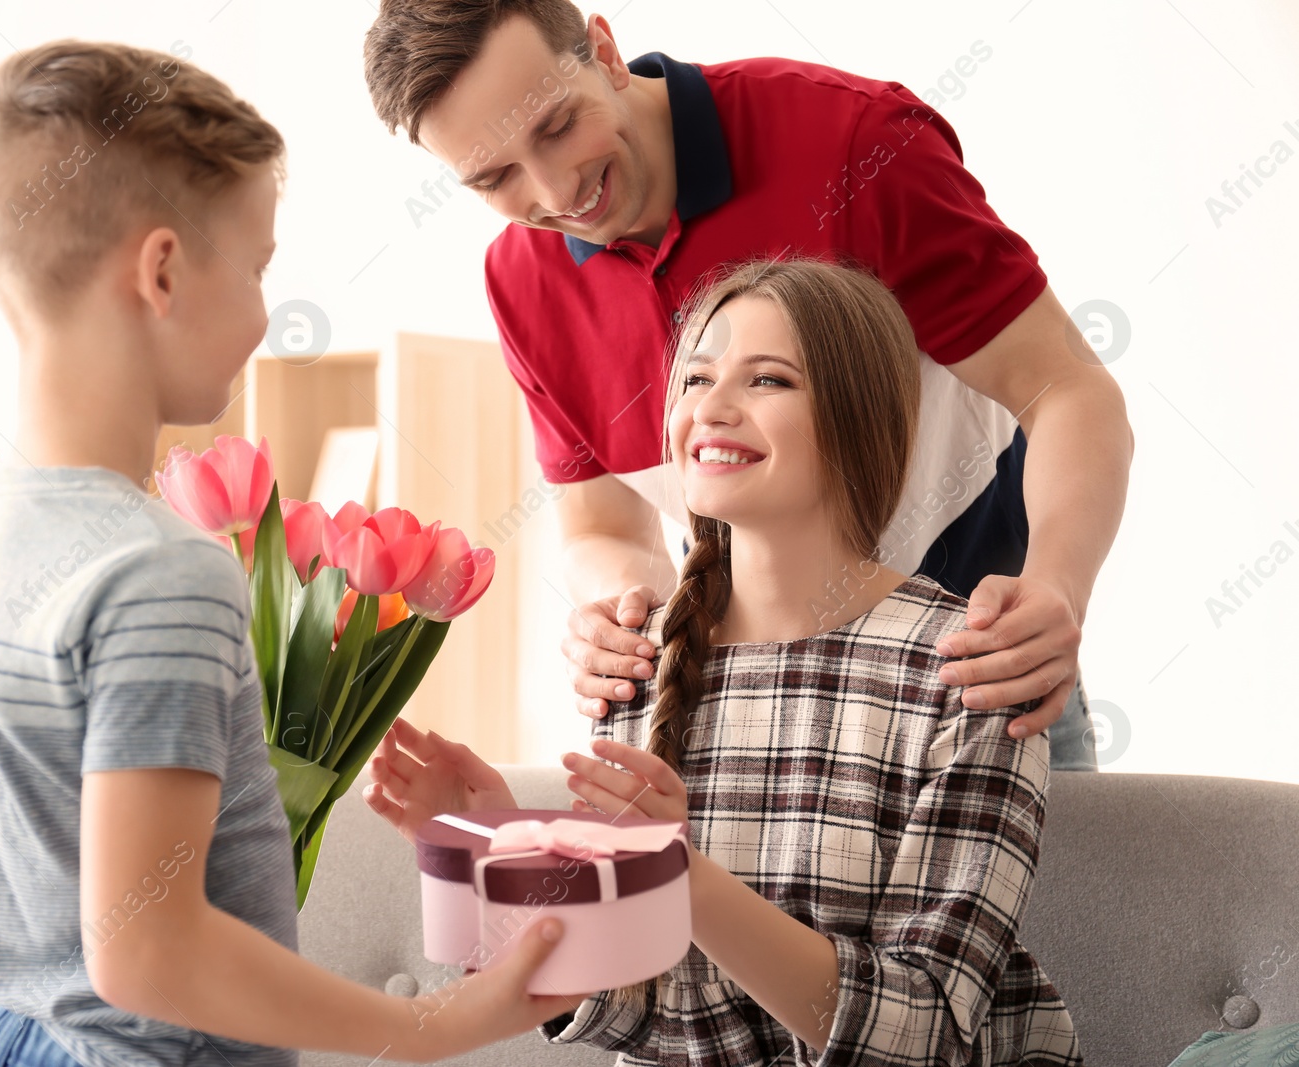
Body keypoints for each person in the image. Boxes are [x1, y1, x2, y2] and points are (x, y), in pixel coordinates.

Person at [0, 39, 582, 1067]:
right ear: (163, 269)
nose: (264, 309)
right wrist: (428, 1025)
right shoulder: (159, 575)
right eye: (257, 266)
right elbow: (145, 952)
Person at [363, 0, 1132, 772]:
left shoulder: (856, 144)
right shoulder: (521, 284)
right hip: (743, 727)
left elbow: (1067, 388)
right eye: (495, 176)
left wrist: (1055, 587)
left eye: (558, 125)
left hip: (980, 693)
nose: (556, 191)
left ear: (603, 49)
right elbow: (604, 527)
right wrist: (623, 611)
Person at [363, 255, 1083, 1064]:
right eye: (695, 379)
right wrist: (489, 849)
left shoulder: (971, 671)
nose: (712, 408)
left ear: (859, 415)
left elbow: (921, 1036)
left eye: (767, 380)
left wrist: (680, 874)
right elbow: (636, 1011)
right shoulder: (641, 664)